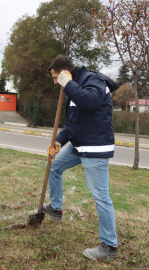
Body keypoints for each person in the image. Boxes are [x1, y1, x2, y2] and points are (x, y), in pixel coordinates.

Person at [44, 55, 119, 260]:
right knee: (54, 166)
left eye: (55, 77)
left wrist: (67, 83)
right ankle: (56, 209)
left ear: (65, 72)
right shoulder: (73, 87)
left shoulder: (93, 81)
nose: (54, 82)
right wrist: (59, 141)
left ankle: (109, 247)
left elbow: (90, 102)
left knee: (101, 196)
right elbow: (73, 124)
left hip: (95, 147)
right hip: (79, 144)